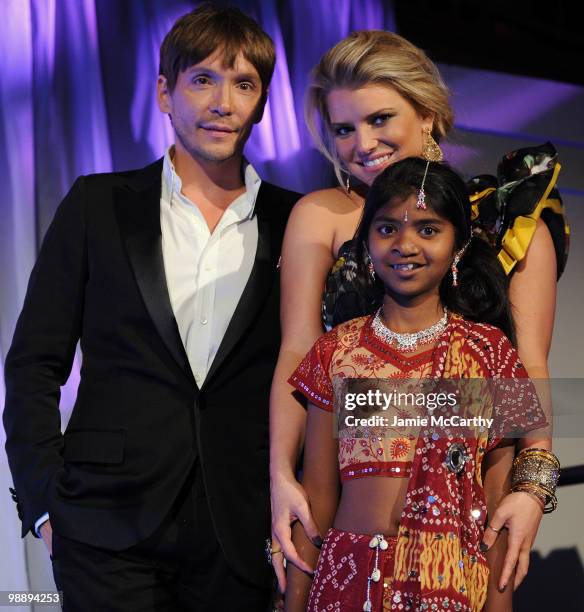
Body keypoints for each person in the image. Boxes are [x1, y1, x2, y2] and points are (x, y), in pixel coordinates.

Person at [3, 5, 301, 610]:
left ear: (263, 103)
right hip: (104, 526)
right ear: (165, 93)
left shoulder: (297, 221)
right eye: (202, 80)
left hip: (239, 527)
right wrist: (44, 505)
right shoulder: (98, 203)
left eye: (244, 84)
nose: (223, 102)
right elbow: (34, 362)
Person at [269, 30, 567, 595]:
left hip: (476, 479)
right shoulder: (320, 214)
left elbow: (528, 363)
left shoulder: (503, 217)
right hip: (346, 478)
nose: (363, 142)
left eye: (380, 119)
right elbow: (297, 351)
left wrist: (533, 486)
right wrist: (281, 475)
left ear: (427, 115)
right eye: (343, 128)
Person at [283, 157, 559, 611]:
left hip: (451, 581)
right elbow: (316, 497)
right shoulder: (337, 352)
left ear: (458, 245)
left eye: (428, 230)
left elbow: (497, 504)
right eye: (387, 229)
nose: (404, 244)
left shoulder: (488, 353)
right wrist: (293, 603)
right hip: (347, 584)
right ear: (366, 241)